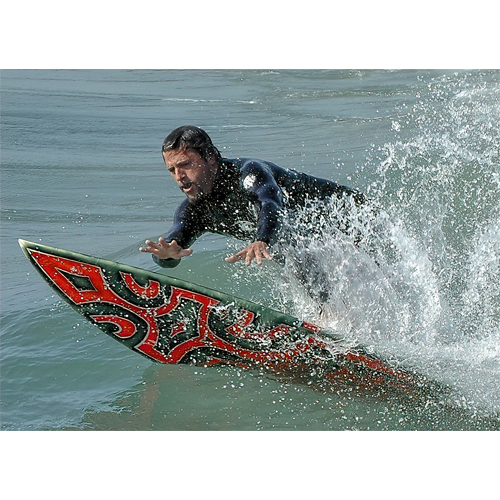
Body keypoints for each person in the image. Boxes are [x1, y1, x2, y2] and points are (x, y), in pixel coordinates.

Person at [140, 126, 366, 291]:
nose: (179, 176)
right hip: (307, 236)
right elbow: (174, 241)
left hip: (349, 213)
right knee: (295, 253)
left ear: (210, 157)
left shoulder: (249, 173)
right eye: (172, 169)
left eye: (185, 165)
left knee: (385, 274)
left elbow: (269, 202)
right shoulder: (194, 211)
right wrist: (166, 256)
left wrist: (262, 239)